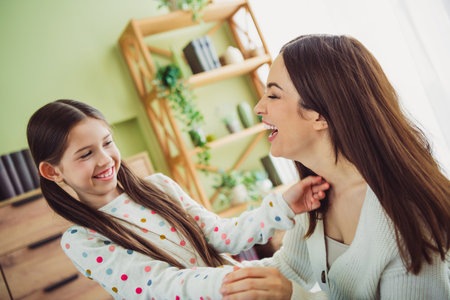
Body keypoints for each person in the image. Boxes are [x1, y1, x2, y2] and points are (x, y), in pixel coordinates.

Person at [219, 34, 450, 299]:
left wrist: (294, 296)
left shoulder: (407, 221)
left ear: (319, 114)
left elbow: (287, 288)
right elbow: (286, 269)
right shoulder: (318, 194)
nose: (259, 108)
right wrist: (188, 278)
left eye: (273, 95)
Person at [26, 99, 330, 299]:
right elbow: (159, 285)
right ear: (53, 171)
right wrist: (241, 280)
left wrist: (282, 205)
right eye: (86, 154)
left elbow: (220, 234)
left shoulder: (158, 186)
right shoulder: (81, 240)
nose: (105, 159)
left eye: (107, 143)